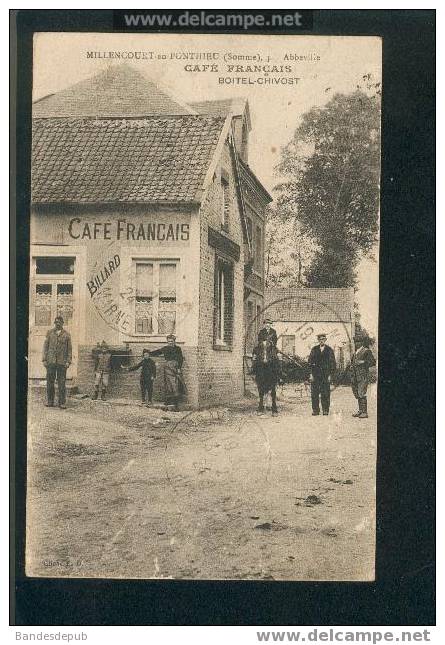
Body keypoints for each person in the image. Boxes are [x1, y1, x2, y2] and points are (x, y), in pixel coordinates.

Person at [42, 315, 72, 409]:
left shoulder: (67, 334)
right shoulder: (50, 333)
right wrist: (44, 359)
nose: (57, 324)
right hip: (50, 362)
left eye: (59, 322)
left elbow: (69, 349)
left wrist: (68, 361)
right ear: (54, 323)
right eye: (56, 322)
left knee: (62, 383)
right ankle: (50, 401)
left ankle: (62, 403)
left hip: (62, 363)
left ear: (62, 323)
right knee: (50, 382)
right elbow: (45, 347)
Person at [151, 335, 185, 411]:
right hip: (168, 368)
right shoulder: (165, 348)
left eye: (171, 341)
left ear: (174, 341)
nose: (170, 343)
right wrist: (147, 353)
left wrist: (179, 368)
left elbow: (180, 359)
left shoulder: (178, 349)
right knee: (168, 384)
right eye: (168, 341)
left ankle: (176, 404)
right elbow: (157, 352)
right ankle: (168, 401)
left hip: (175, 368)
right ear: (167, 341)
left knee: (175, 384)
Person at [308, 333, 336, 416]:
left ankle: (325, 410)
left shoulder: (329, 350)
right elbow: (310, 362)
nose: (321, 341)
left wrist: (330, 375)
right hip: (315, 374)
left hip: (325, 375)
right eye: (320, 340)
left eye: (323, 339)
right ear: (318, 340)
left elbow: (333, 364)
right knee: (314, 393)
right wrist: (310, 374)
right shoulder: (314, 349)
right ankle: (315, 410)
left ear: (325, 340)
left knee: (325, 393)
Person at [351, 334, 376, 419]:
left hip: (363, 375)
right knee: (357, 392)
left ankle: (365, 412)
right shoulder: (355, 352)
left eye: (358, 342)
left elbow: (373, 362)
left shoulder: (366, 351)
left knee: (361, 392)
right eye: (355, 342)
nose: (357, 343)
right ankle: (360, 411)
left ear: (362, 342)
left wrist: (363, 362)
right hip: (355, 375)